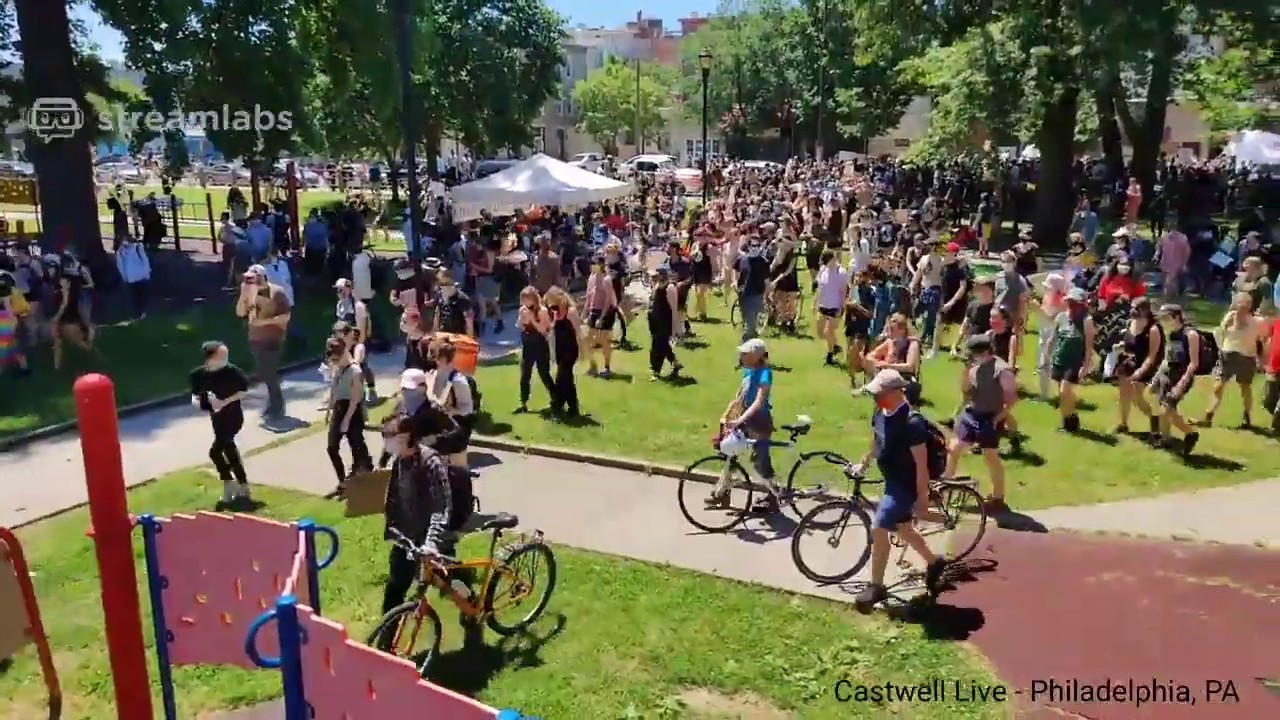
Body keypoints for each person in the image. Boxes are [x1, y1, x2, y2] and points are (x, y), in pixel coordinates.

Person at [849, 368, 949, 607]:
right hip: (891, 479)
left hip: (905, 484)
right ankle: (934, 562)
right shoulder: (881, 412)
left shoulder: (911, 423)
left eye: (879, 393)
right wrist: (863, 464)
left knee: (880, 526)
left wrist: (922, 498)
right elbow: (877, 441)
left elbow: (921, 465)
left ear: (896, 392)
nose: (875, 397)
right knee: (903, 528)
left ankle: (876, 586)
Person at [378, 408, 476, 642]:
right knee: (395, 587)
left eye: (389, 439)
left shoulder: (432, 463)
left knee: (451, 584)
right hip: (408, 537)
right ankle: (384, 639)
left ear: (404, 438)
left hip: (434, 538)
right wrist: (394, 529)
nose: (386, 445)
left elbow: (441, 508)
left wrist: (432, 543)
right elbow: (394, 498)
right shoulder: (399, 461)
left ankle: (472, 606)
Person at [946, 335, 1017, 512]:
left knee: (990, 455)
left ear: (984, 352)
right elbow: (967, 392)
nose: (970, 357)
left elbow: (1012, 400)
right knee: (954, 448)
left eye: (973, 354)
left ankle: (998, 498)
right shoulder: (973, 367)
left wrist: (997, 419)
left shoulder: (1002, 371)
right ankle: (944, 487)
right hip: (972, 413)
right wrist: (965, 373)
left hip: (991, 417)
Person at [710, 338, 778, 514]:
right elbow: (739, 397)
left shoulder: (765, 373)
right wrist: (726, 416)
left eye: (745, 353)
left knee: (760, 461)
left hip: (760, 422)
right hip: (744, 419)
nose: (741, 356)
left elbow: (759, 401)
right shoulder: (748, 372)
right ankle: (722, 492)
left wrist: (740, 420)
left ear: (756, 356)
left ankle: (773, 497)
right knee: (729, 452)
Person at [189, 341, 251, 504]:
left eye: (226, 355)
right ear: (210, 358)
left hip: (233, 416)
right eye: (221, 356)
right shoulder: (198, 375)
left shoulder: (233, 372)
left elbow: (244, 392)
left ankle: (232, 484)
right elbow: (196, 396)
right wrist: (200, 404)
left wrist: (224, 402)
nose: (225, 359)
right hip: (216, 418)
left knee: (218, 451)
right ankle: (238, 485)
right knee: (226, 449)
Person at [236, 264, 291, 419]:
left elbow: (285, 317)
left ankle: (277, 406)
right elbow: (240, 312)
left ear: (262, 277)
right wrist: (243, 295)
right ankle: (273, 403)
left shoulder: (276, 292)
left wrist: (265, 323)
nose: (250, 281)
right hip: (255, 338)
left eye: (253, 278)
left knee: (269, 372)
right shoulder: (250, 293)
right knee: (265, 372)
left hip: (274, 338)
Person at [1203, 293, 1265, 428]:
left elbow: (1261, 341)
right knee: (1218, 386)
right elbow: (1219, 333)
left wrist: (1261, 359)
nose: (1243, 307)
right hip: (1228, 355)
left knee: (1245, 387)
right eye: (1240, 304)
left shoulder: (1256, 321)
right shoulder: (1229, 318)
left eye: (1246, 304)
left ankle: (1247, 417)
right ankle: (1208, 416)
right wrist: (1221, 348)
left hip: (1247, 357)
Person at [1149, 304, 1201, 455]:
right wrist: (1157, 376)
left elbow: (1194, 363)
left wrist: (1181, 384)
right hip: (1167, 373)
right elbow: (1168, 357)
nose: (1163, 321)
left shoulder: (1190, 334)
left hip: (1182, 376)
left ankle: (1190, 433)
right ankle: (1166, 439)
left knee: (1167, 408)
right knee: (1163, 408)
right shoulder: (1170, 333)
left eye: (1166, 317)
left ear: (1176, 316)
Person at [323, 336, 373, 492]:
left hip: (352, 409)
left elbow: (356, 397)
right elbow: (333, 388)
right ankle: (342, 481)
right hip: (339, 407)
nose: (335, 361)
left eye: (337, 358)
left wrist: (346, 419)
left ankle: (360, 475)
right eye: (333, 359)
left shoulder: (355, 371)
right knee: (332, 447)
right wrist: (329, 409)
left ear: (345, 351)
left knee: (356, 444)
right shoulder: (336, 367)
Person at [1049, 287, 1096, 432]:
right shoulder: (1061, 317)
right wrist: (1047, 356)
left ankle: (1071, 419)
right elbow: (1053, 338)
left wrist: (1086, 365)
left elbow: (1089, 345)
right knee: (1063, 394)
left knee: (1065, 391)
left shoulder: (1086, 321)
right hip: (1059, 359)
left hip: (1074, 362)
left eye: (1074, 302)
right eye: (1069, 301)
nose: (1071, 305)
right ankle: (1068, 421)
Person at [1114, 298, 1163, 434]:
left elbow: (1152, 356)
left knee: (1136, 397)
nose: (1132, 311)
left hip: (1145, 365)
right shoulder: (1130, 323)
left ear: (1145, 310)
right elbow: (1130, 343)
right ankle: (1123, 424)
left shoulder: (1153, 329)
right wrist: (1120, 346)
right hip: (1127, 362)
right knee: (1123, 394)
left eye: (1136, 308)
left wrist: (1140, 372)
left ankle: (1153, 418)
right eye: (1132, 307)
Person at [425, 339, 475, 466]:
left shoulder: (457, 381)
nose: (432, 359)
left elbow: (468, 408)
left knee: (455, 471)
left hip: (455, 430)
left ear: (443, 358)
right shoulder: (432, 375)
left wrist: (453, 411)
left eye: (435, 356)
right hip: (436, 427)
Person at [862, 313, 923, 405]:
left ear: (902, 330)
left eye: (892, 329)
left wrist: (888, 366)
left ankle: (870, 390)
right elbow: (870, 356)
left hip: (904, 378)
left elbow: (910, 367)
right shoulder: (889, 342)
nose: (889, 332)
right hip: (888, 375)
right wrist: (878, 363)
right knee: (871, 365)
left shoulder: (912, 344)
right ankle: (871, 389)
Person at [515, 286, 557, 413]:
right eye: (523, 299)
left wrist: (532, 319)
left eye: (527, 299)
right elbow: (520, 327)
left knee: (544, 372)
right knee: (525, 374)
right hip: (527, 344)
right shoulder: (523, 310)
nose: (525, 303)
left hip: (539, 344)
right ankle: (523, 403)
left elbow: (543, 331)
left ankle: (555, 399)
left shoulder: (542, 311)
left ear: (533, 299)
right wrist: (522, 319)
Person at [544, 286, 582, 417]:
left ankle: (558, 406)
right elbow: (552, 330)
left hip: (570, 349)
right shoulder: (555, 312)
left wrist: (583, 350)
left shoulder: (570, 311)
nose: (550, 304)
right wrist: (553, 320)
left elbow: (578, 331)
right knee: (567, 379)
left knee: (562, 378)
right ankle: (572, 408)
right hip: (560, 348)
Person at [583, 255, 619, 377]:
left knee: (605, 341)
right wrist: (585, 313)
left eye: (595, 264)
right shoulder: (592, 278)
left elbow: (608, 300)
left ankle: (607, 367)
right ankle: (593, 366)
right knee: (586, 340)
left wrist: (602, 317)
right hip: (594, 310)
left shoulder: (606, 279)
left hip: (605, 311)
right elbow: (589, 296)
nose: (592, 266)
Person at [647, 265, 683, 380]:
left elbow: (673, 308)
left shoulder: (669, 288)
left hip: (665, 321)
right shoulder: (656, 286)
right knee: (659, 344)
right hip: (655, 320)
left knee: (659, 346)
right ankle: (675, 362)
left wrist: (676, 327)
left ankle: (656, 370)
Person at [814, 250, 850, 366]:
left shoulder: (841, 272)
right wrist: (816, 303)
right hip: (823, 305)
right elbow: (820, 289)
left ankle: (829, 355)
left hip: (835, 306)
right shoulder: (823, 270)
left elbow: (844, 291)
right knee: (820, 332)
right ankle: (835, 345)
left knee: (829, 331)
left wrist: (842, 306)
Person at [115, 236, 152, 320]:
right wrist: (124, 277)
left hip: (141, 277)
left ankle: (142, 313)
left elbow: (145, 260)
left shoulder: (138, 248)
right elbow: (120, 266)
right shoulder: (120, 252)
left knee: (141, 296)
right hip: (130, 279)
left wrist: (147, 273)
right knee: (132, 298)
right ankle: (134, 314)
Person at [432, 270, 475, 337]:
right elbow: (437, 316)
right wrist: (434, 335)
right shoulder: (440, 296)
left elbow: (469, 322)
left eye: (444, 284)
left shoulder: (463, 299)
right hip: (443, 335)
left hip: (458, 337)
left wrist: (469, 340)